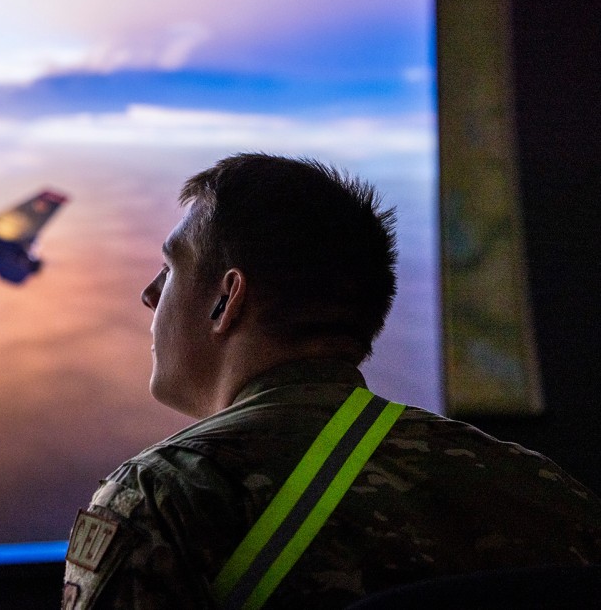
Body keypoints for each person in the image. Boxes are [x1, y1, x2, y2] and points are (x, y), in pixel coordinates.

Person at [62, 153, 601, 609]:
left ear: (226, 299)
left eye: (170, 268)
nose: (149, 296)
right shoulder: (543, 492)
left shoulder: (166, 498)